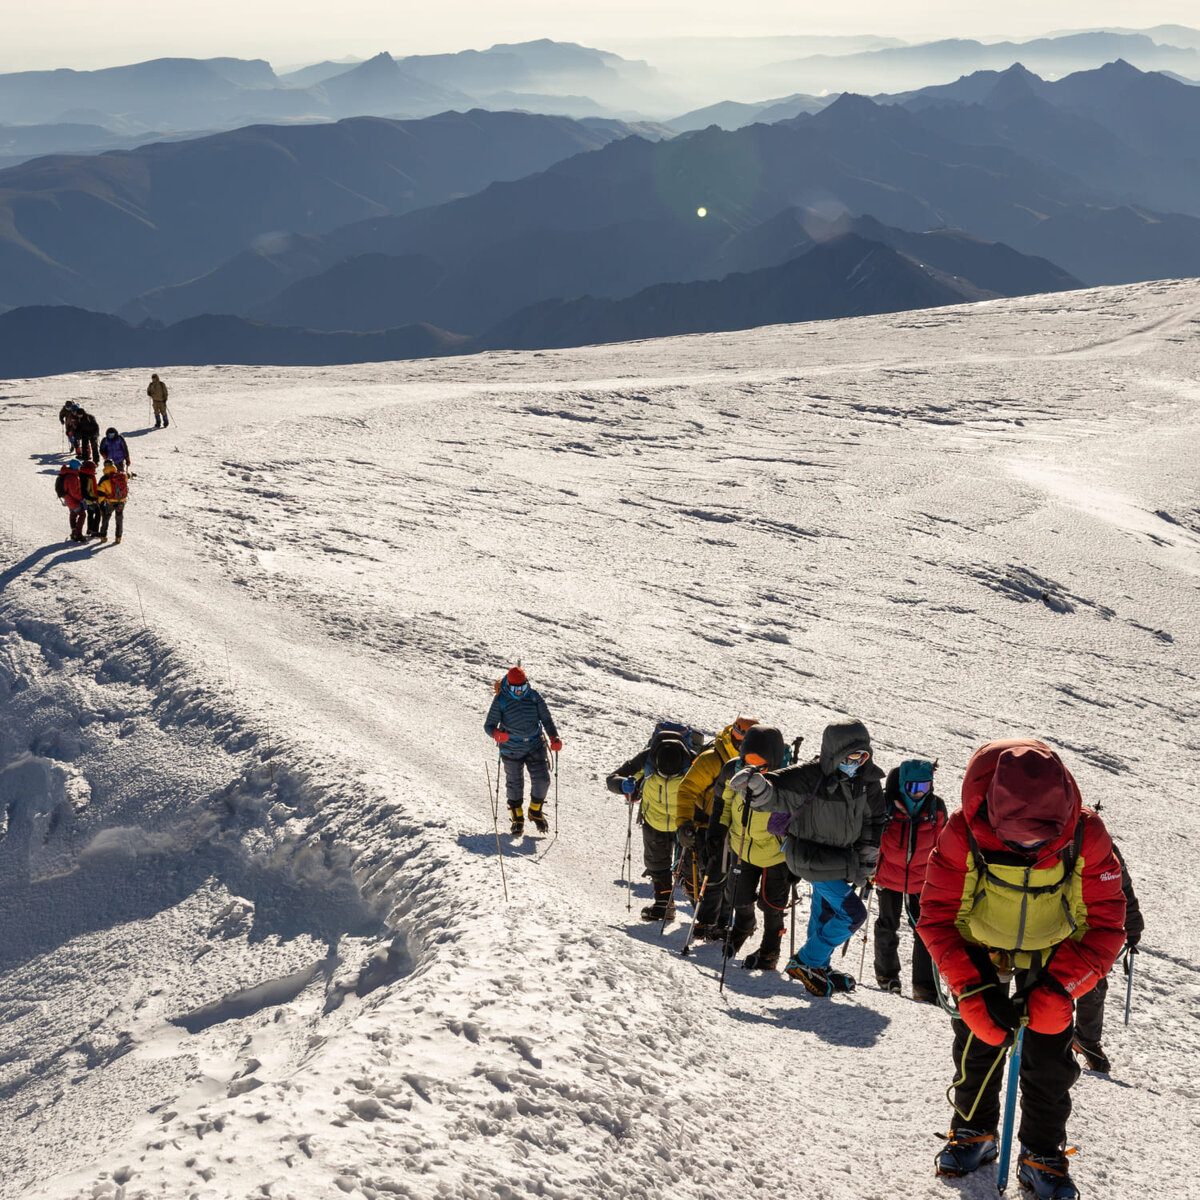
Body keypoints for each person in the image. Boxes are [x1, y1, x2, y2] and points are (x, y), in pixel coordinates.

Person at [919, 739, 1126, 1200]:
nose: (1030, 846)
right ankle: (973, 1131)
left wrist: (1060, 988)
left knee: (1050, 1064)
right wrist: (971, 989)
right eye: (1017, 838)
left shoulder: (1085, 834)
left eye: (1040, 839)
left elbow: (1107, 923)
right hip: (981, 951)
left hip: (1055, 957)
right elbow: (937, 913)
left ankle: (1041, 1153)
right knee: (977, 1044)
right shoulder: (964, 830)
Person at [740, 717, 886, 996]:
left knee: (826, 911)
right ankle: (807, 961)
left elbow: (874, 820)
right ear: (835, 752)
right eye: (850, 755)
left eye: (862, 755)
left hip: (842, 859)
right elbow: (779, 788)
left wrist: (867, 860)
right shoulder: (812, 775)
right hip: (810, 857)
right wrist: (759, 786)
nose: (855, 761)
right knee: (853, 914)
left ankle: (819, 967)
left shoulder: (867, 781)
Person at [710, 724, 792, 969]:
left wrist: (798, 861)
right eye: (748, 762)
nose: (753, 769)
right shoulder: (732, 771)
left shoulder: (789, 778)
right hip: (741, 845)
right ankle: (744, 926)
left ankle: (770, 949)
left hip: (775, 854)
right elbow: (723, 803)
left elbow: (800, 817)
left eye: (761, 764)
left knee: (772, 905)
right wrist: (717, 831)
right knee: (737, 895)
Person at [872, 758, 947, 1002]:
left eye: (924, 788)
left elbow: (942, 845)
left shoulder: (936, 809)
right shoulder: (886, 805)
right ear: (903, 785)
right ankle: (887, 976)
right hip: (888, 875)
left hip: (922, 880)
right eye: (914, 788)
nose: (919, 794)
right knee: (887, 925)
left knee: (923, 931)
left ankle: (924, 986)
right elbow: (874, 838)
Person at [606, 725, 698, 921]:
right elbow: (612, 778)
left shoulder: (693, 760)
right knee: (657, 864)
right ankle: (665, 905)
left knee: (690, 870)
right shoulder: (647, 757)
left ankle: (701, 914)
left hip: (680, 821)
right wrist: (623, 785)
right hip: (659, 820)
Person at [677, 715, 757, 938]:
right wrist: (683, 824)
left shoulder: (756, 761)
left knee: (731, 878)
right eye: (739, 737)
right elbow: (686, 790)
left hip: (739, 830)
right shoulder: (712, 759)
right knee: (714, 875)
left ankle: (721, 922)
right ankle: (708, 923)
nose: (741, 742)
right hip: (708, 824)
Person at [1071, 843, 1143, 1073]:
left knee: (1093, 983)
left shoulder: (1100, 843)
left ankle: (1086, 1041)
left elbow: (1123, 886)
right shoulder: (1044, 834)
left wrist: (1132, 923)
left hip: (1089, 926)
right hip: (1050, 924)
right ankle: (1049, 1039)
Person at [483, 667, 560, 836]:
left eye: (522, 689)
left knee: (543, 780)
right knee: (514, 784)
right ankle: (517, 818)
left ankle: (534, 810)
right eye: (515, 689)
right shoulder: (501, 700)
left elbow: (546, 719)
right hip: (511, 748)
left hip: (535, 745)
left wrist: (554, 737)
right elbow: (488, 726)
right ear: (508, 686)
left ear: (527, 684)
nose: (519, 693)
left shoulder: (533, 697)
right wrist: (497, 734)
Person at [54, 459, 86, 541]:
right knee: (82, 514)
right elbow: (74, 492)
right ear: (75, 467)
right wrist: (81, 498)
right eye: (79, 466)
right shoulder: (72, 477)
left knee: (73, 514)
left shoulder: (70, 475)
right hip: (72, 500)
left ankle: (74, 532)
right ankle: (78, 534)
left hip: (68, 499)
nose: (80, 468)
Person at [97, 462, 128, 544]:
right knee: (119, 519)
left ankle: (103, 536)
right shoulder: (121, 476)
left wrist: (99, 503)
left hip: (110, 503)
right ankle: (118, 538)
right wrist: (132, 474)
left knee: (106, 518)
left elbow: (101, 494)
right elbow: (128, 476)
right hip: (121, 501)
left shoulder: (104, 479)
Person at [78, 458, 102, 539]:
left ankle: (89, 529)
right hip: (90, 499)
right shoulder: (89, 477)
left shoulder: (81, 474)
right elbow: (87, 490)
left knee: (90, 513)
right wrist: (93, 499)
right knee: (98, 513)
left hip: (86, 500)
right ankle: (94, 531)